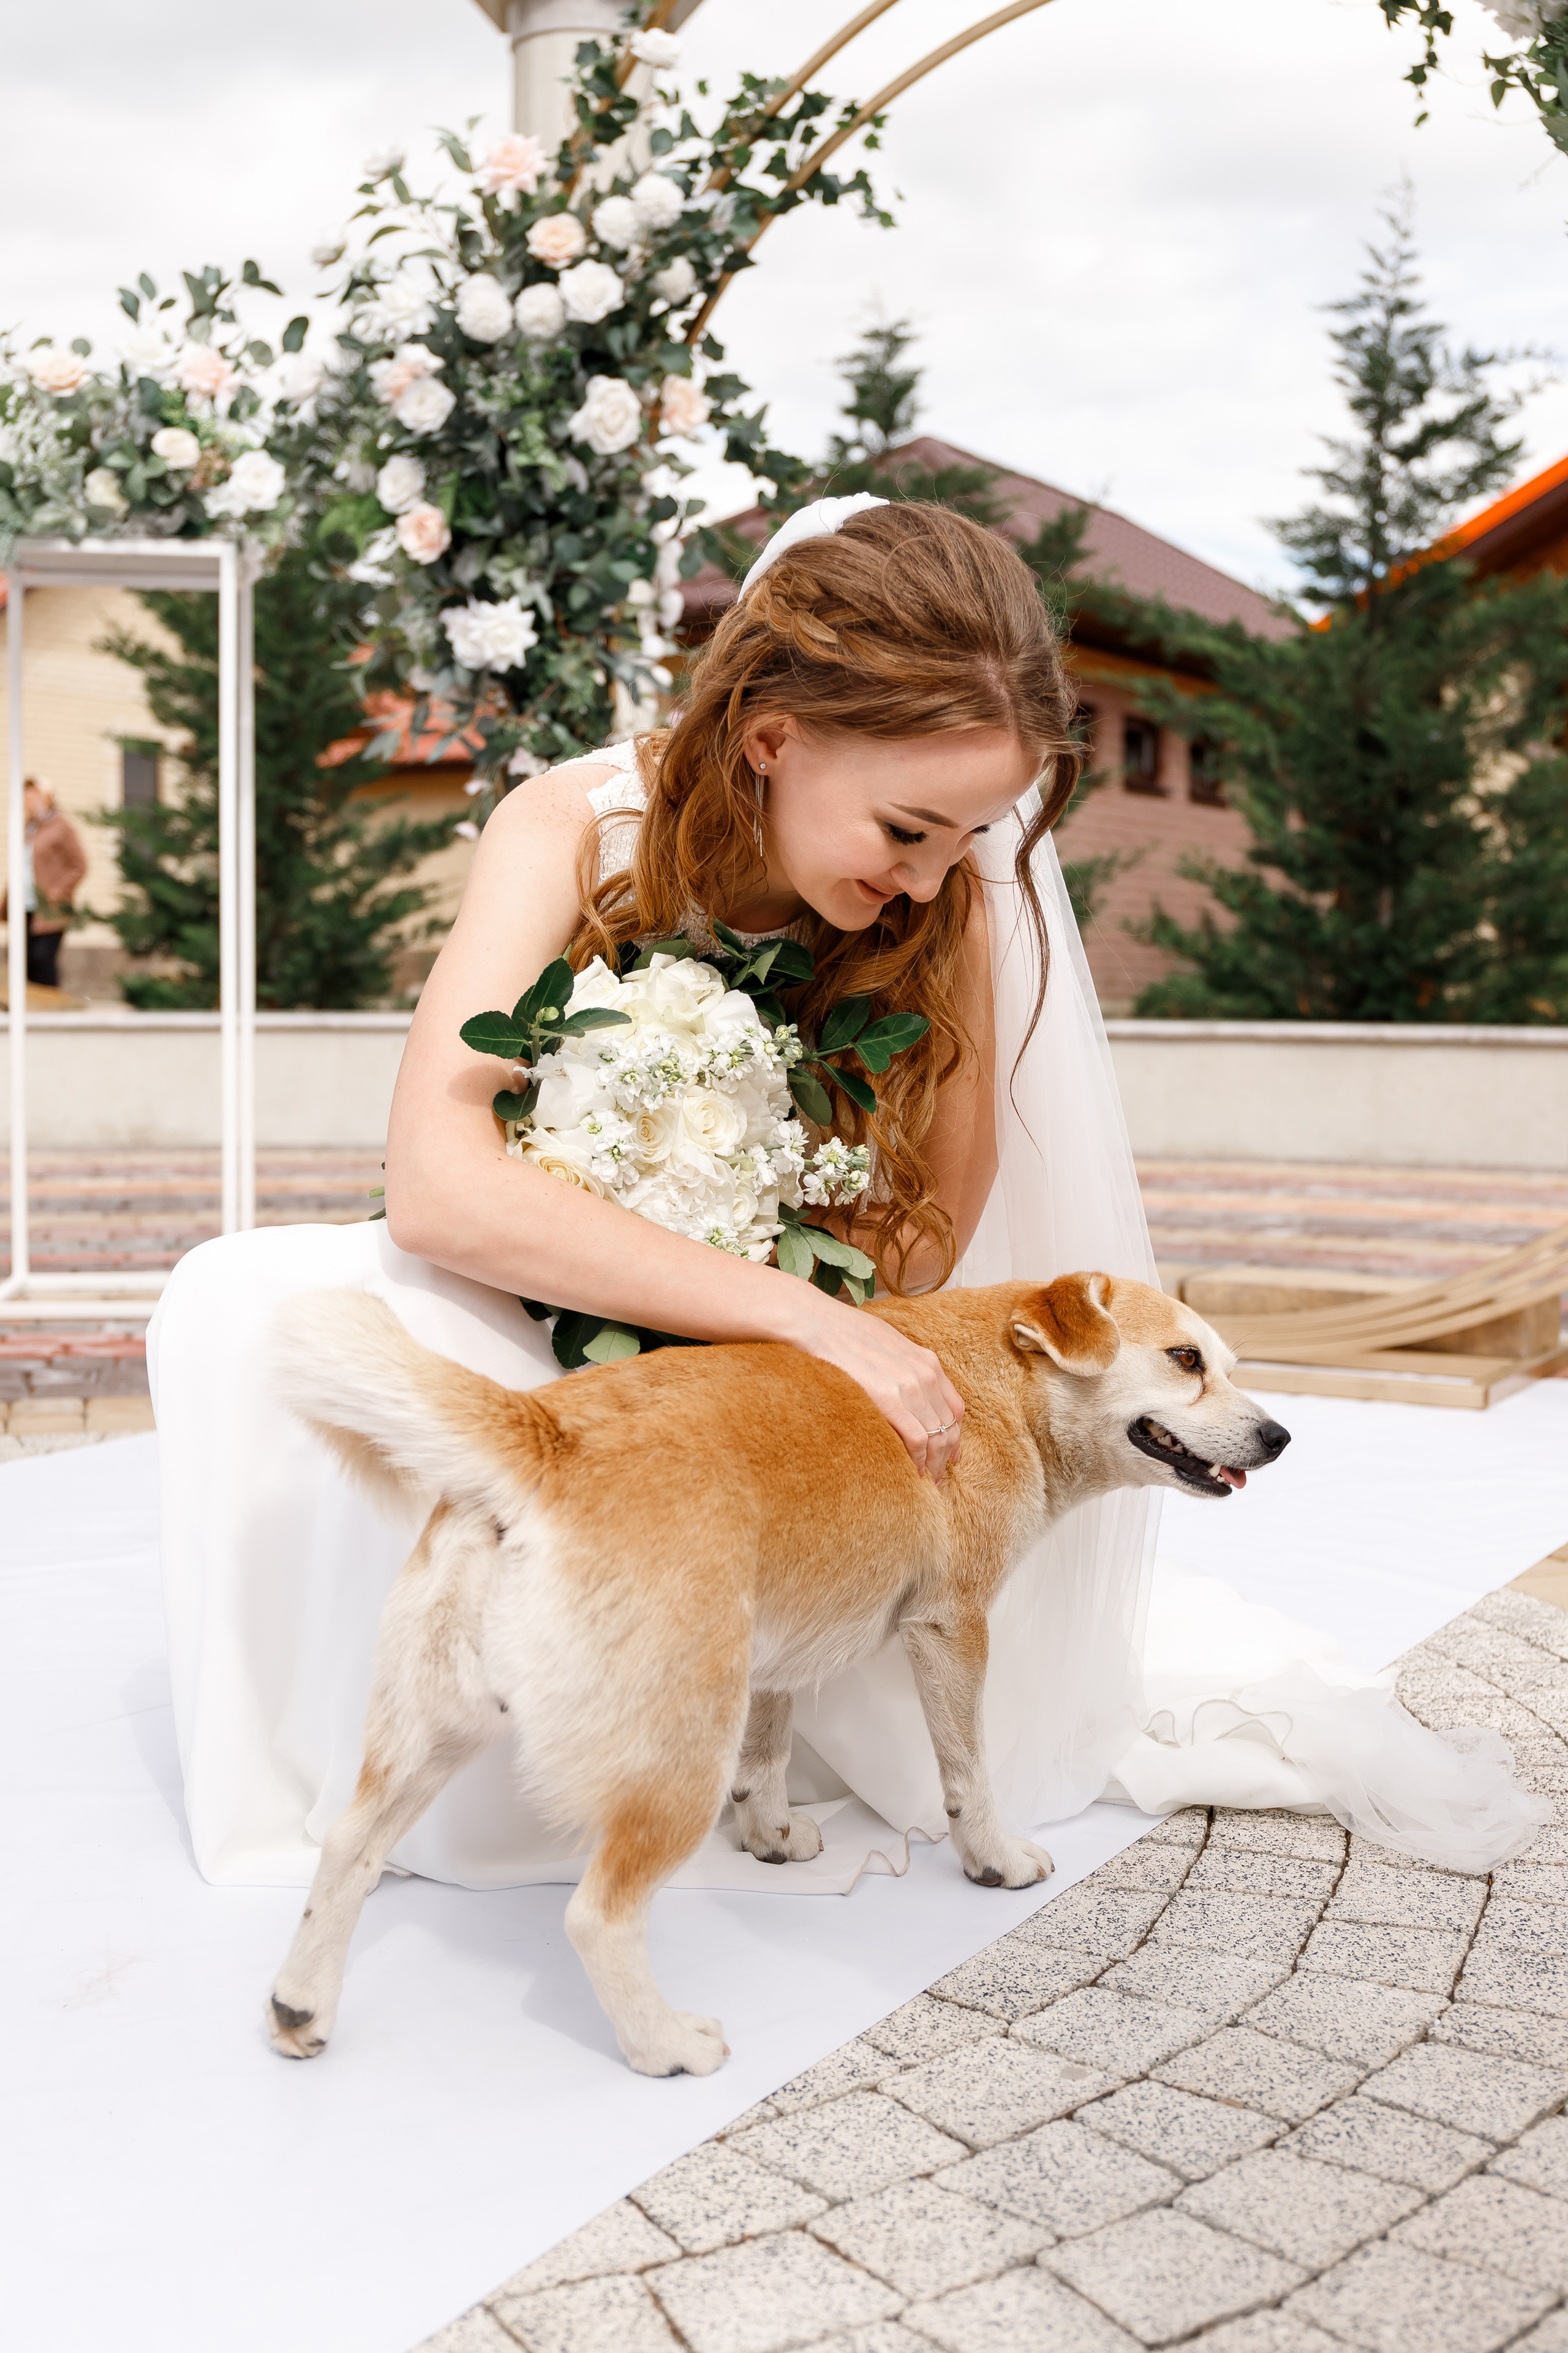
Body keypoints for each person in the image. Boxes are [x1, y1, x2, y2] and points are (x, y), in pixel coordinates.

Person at [149, 497, 1544, 1894]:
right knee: (242, 1299)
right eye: (908, 825)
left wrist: (796, 1326)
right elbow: (438, 1186)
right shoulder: (570, 828)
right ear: (771, 736)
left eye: (970, 837)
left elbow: (932, 1221)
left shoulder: (946, 902)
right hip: (537, 1289)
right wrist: (775, 1311)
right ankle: (380, 1768)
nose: (934, 874)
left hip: (789, 1345)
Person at [2, 776, 87, 992]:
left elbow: (79, 865)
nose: (29, 802)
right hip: (23, 905)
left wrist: (58, 890)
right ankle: (28, 1007)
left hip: (49, 907)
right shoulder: (28, 828)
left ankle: (51, 1007)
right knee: (18, 958)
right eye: (26, 798)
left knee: (41, 958)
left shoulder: (61, 827)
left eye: (34, 797)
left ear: (47, 798)